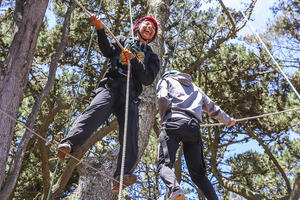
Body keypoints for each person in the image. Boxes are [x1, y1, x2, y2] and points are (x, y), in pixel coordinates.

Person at [57, 15, 160, 192]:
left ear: (152, 36)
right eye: (146, 24)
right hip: (111, 85)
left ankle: (121, 175)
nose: (149, 27)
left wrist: (134, 60)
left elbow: (147, 79)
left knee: (130, 133)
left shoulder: (152, 57)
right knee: (94, 112)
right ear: (138, 27)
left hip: (130, 94)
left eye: (152, 27)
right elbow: (106, 50)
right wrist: (99, 29)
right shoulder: (122, 40)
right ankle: (69, 144)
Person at [156, 70, 236, 200]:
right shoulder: (196, 89)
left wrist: (163, 117)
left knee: (164, 165)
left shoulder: (166, 80)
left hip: (173, 122)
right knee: (198, 174)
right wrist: (228, 120)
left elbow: (162, 97)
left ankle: (176, 190)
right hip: (193, 127)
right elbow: (213, 109)